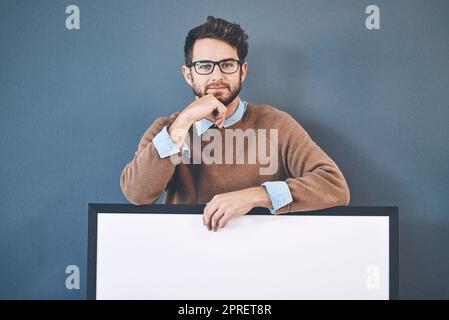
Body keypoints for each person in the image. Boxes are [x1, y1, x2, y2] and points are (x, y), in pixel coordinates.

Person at [120, 16, 350, 232]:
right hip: (186, 259)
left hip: (261, 258)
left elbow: (334, 186)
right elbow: (137, 193)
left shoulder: (276, 124)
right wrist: (183, 123)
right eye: (204, 66)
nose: (216, 76)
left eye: (227, 64)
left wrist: (256, 196)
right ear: (188, 75)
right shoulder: (168, 128)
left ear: (243, 71)